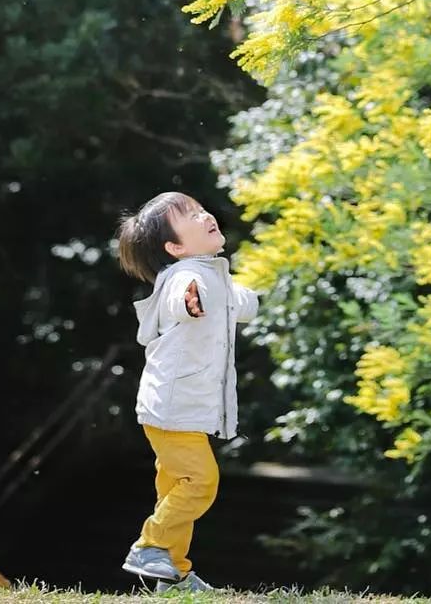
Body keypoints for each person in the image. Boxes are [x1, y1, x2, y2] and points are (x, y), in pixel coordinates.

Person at [115, 190, 259, 591]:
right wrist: (190, 302)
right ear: (175, 247)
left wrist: (259, 295)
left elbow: (239, 302)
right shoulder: (184, 276)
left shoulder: (214, 276)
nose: (204, 215)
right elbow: (183, 297)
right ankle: (149, 545)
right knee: (200, 482)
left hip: (178, 410)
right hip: (174, 409)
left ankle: (173, 575)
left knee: (176, 492)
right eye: (190, 216)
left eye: (200, 210)